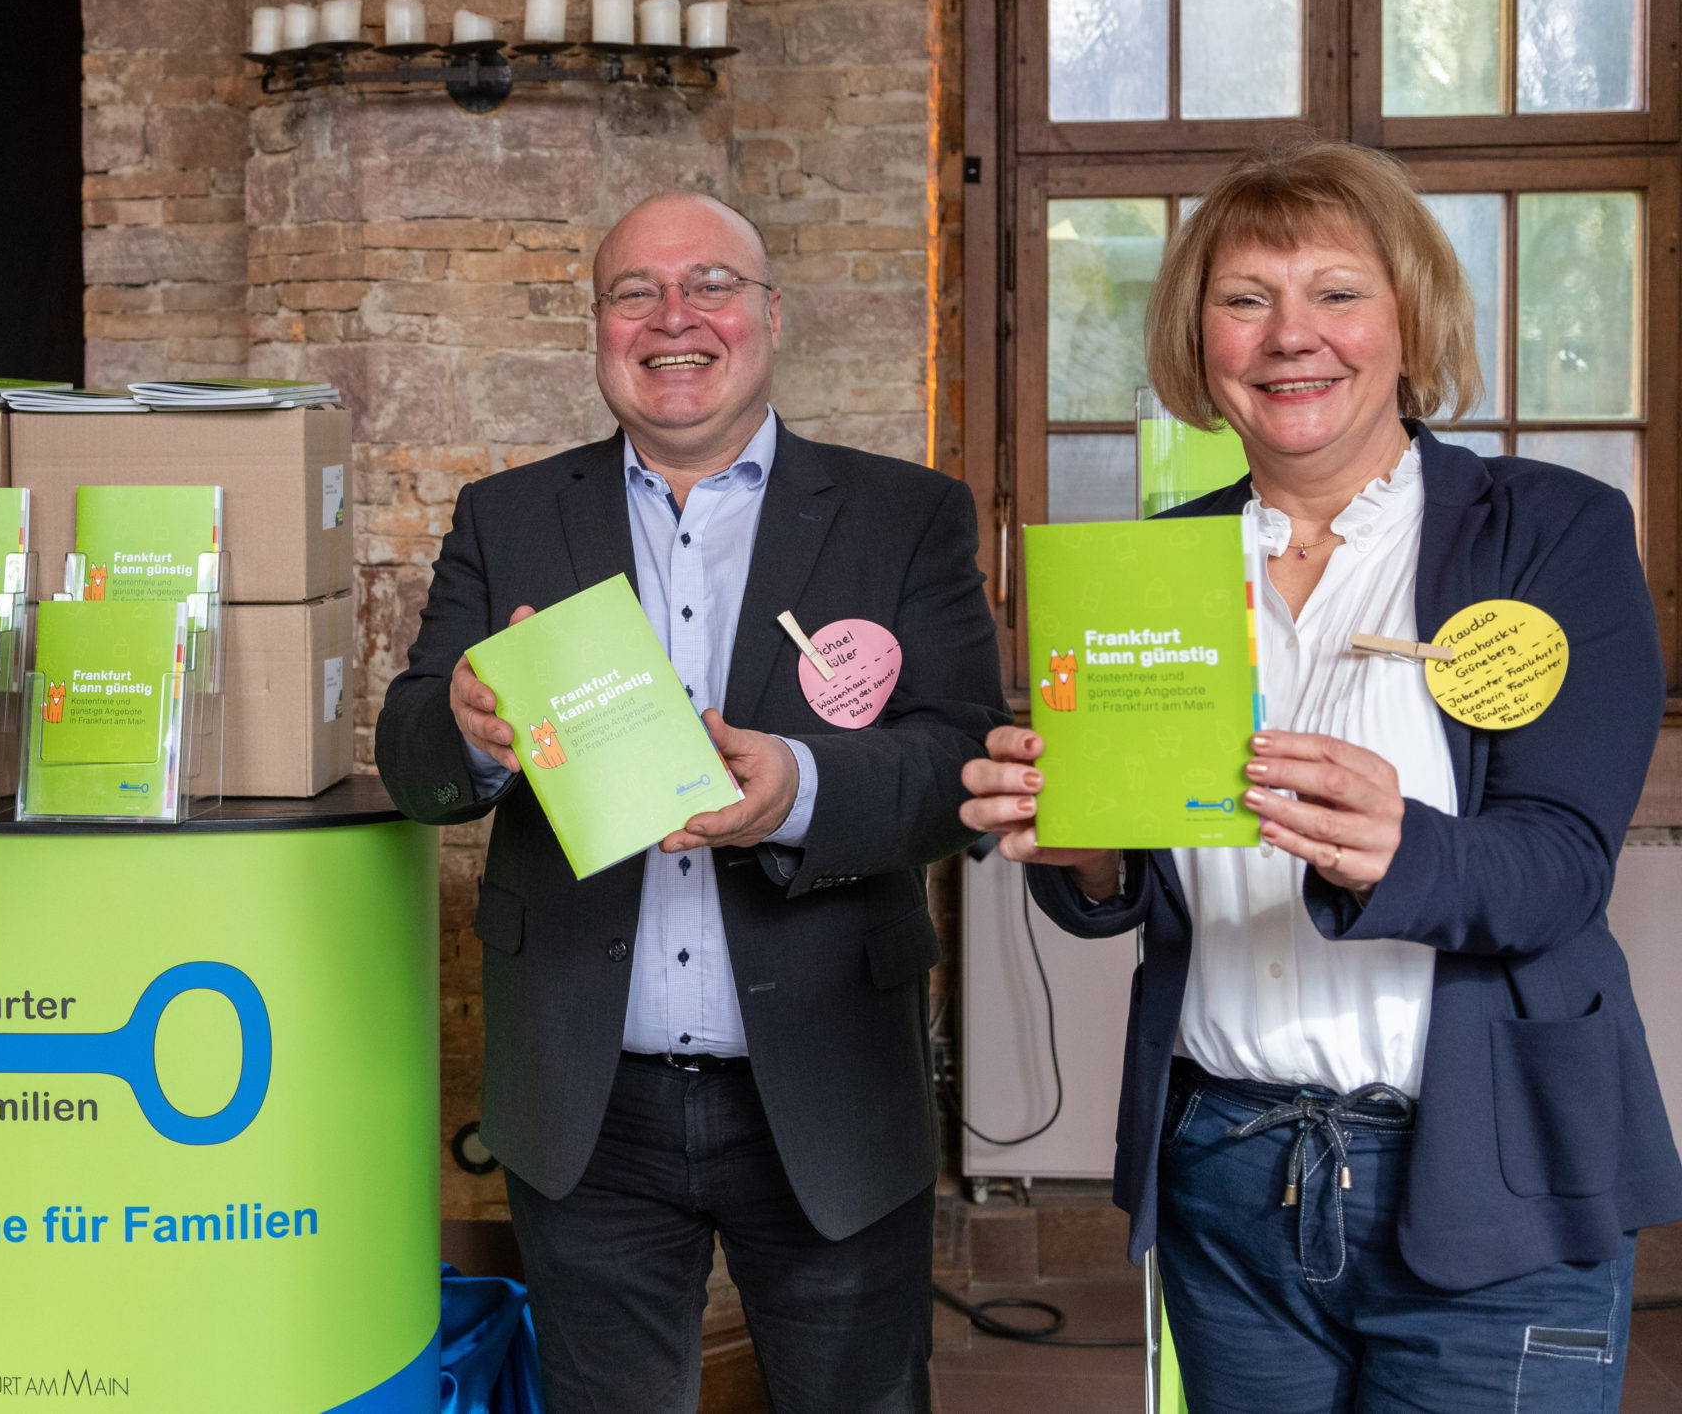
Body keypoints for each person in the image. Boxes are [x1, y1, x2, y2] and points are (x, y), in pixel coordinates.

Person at [962, 141, 1681, 1411]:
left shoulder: (1549, 530)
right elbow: (1136, 882)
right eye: (1244, 299)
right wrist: (1084, 848)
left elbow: (1561, 867)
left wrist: (1398, 844)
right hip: (1224, 1168)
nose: (1290, 335)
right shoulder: (1154, 567)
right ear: (1200, 342)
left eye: (1337, 293)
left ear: (1410, 318)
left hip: (1490, 1166)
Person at [378, 191, 1008, 1413]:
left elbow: (959, 768)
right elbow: (413, 758)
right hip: (585, 1096)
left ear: (770, 314)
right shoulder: (507, 516)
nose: (674, 317)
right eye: (635, 292)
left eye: (710, 285)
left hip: (828, 1078)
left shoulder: (902, 515)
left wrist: (797, 791)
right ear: (597, 328)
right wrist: (470, 731)